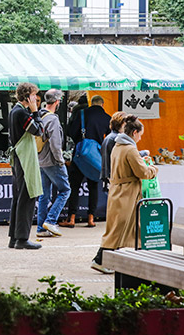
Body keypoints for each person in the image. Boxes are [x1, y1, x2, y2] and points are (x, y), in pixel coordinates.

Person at [91, 115, 158, 273]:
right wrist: (154, 169)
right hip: (127, 193)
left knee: (127, 226)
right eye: (140, 134)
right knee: (118, 229)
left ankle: (139, 259)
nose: (140, 138)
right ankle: (99, 260)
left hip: (119, 191)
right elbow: (142, 172)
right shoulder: (130, 149)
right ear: (134, 132)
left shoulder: (118, 146)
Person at [62, 94, 111, 228]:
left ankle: (71, 218)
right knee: (93, 186)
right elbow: (110, 139)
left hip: (80, 155)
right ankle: (91, 218)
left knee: (74, 186)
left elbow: (71, 132)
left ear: (91, 103)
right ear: (102, 104)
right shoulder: (107, 118)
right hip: (96, 157)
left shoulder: (82, 114)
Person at [8, 82, 45, 250]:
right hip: (24, 158)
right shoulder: (22, 113)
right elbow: (38, 130)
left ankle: (14, 237)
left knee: (18, 197)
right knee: (27, 196)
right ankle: (22, 239)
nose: (36, 98)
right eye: (34, 95)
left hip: (18, 157)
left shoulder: (14, 111)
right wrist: (35, 111)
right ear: (27, 97)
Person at [35, 89, 71, 238]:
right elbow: (56, 144)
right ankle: (50, 221)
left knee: (44, 195)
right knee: (65, 190)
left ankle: (41, 228)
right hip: (52, 161)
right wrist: (60, 161)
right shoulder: (53, 119)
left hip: (40, 160)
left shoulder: (39, 115)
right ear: (57, 102)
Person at [100, 111, 127, 192]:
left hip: (107, 175)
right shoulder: (117, 139)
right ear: (122, 124)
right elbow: (124, 155)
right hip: (114, 177)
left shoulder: (108, 137)